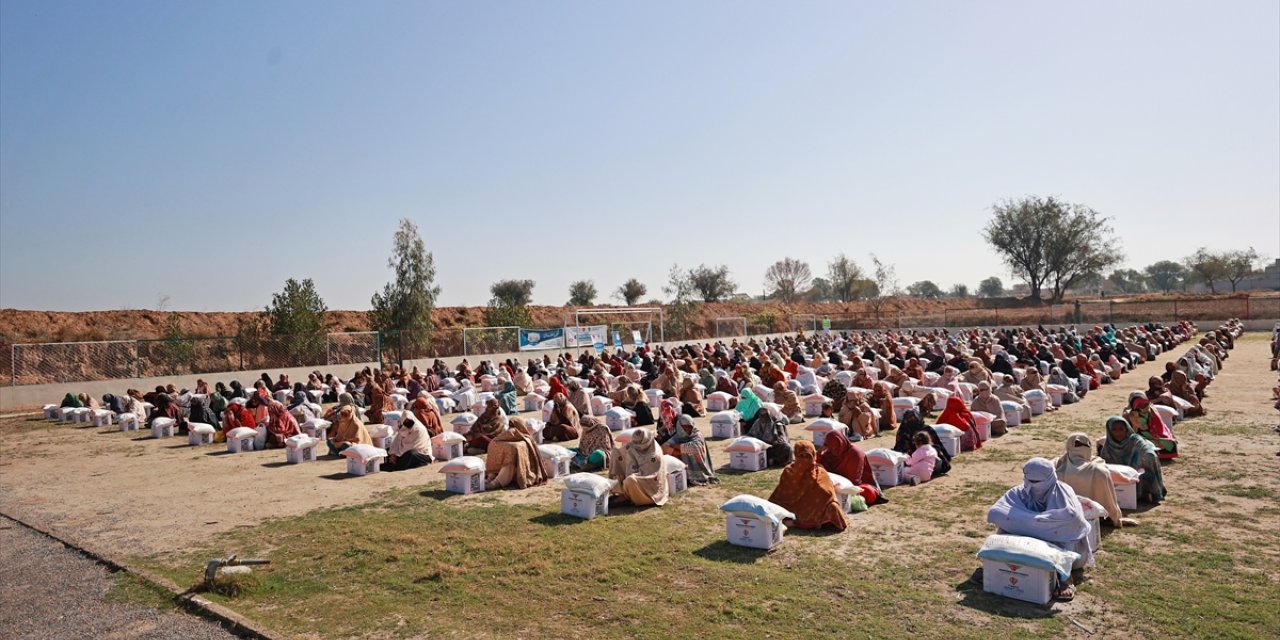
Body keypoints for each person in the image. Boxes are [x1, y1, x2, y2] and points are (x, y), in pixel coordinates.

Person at [987, 458, 1092, 601]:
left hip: (1066, 546)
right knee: (1003, 530)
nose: (1030, 485)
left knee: (1063, 533)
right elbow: (996, 512)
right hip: (1029, 541)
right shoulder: (1020, 491)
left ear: (1050, 478)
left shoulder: (1064, 493)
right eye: (1027, 479)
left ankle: (1065, 579)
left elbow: (1072, 519)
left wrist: (1024, 521)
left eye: (1036, 482)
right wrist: (1040, 522)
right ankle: (992, 567)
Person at [768, 440, 849, 531]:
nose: (804, 460)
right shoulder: (789, 471)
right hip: (795, 508)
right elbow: (781, 495)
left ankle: (798, 520)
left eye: (807, 456)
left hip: (812, 509)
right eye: (801, 456)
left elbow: (828, 493)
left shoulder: (819, 472)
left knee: (833, 508)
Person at [1054, 433, 1129, 528]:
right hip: (1101, 516)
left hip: (1066, 516)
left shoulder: (1059, 471)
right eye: (1078, 446)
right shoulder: (1099, 471)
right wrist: (1115, 517)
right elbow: (1109, 501)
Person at [1099, 416, 1166, 504]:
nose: (1118, 432)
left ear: (1126, 429)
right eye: (1114, 430)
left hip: (1136, 472)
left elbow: (1147, 450)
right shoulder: (1108, 446)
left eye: (1121, 429)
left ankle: (1147, 492)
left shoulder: (1135, 439)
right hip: (1118, 476)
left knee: (1149, 458)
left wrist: (1135, 466)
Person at [817, 431, 884, 505]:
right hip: (833, 484)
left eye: (836, 448)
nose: (834, 451)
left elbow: (854, 481)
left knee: (868, 492)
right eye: (831, 448)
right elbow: (816, 468)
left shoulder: (856, 454)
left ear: (841, 443)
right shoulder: (828, 454)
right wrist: (819, 454)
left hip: (852, 486)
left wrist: (839, 486)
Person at [609, 429, 669, 507]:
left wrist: (632, 473)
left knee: (630, 480)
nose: (636, 445)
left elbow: (649, 476)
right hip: (634, 471)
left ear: (646, 441)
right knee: (615, 453)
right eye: (635, 442)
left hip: (649, 485)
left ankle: (628, 497)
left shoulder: (654, 456)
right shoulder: (634, 444)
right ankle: (619, 492)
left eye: (639, 443)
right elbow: (624, 450)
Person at [485, 418, 548, 490]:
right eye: (510, 425)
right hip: (505, 466)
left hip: (524, 469)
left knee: (510, 457)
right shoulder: (508, 435)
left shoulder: (526, 439)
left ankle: (497, 482)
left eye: (513, 425)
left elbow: (512, 433)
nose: (511, 428)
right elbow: (497, 439)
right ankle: (492, 476)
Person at [664, 415, 719, 486]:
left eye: (689, 426)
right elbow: (664, 447)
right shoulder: (678, 436)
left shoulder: (697, 434)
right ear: (679, 426)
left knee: (687, 450)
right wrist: (676, 452)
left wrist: (676, 446)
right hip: (683, 462)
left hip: (699, 467)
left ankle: (694, 475)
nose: (688, 429)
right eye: (685, 427)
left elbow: (695, 448)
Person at [1123, 392, 1177, 459]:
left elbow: (1160, 426)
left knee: (1170, 443)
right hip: (1139, 436)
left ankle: (1160, 455)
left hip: (1153, 435)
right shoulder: (1129, 414)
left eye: (1146, 404)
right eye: (1141, 405)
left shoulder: (1152, 411)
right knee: (1143, 444)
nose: (1145, 407)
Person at [747, 403, 795, 468]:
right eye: (761, 415)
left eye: (765, 415)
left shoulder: (777, 423)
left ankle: (774, 461)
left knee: (787, 448)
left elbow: (782, 437)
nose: (763, 417)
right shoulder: (757, 423)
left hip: (774, 446)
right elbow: (750, 435)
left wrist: (774, 441)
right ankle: (768, 461)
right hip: (762, 447)